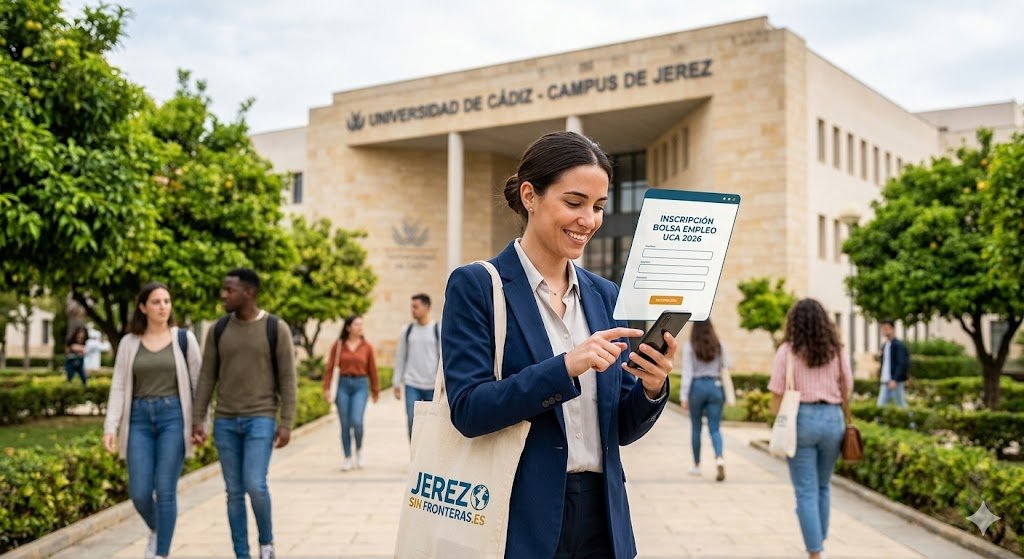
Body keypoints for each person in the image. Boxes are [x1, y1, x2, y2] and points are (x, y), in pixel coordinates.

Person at [442, 131, 674, 559]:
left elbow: (620, 428)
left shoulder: (604, 295)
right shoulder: (477, 285)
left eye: (599, 206)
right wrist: (566, 365)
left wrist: (651, 388)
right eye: (574, 202)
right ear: (530, 195)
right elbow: (469, 410)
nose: (589, 219)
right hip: (518, 518)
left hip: (603, 520)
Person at [192, 269, 297, 559]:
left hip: (260, 419)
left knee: (255, 484)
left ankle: (267, 544)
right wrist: (198, 419)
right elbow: (206, 377)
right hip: (225, 421)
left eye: (229, 290)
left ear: (249, 292)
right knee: (233, 492)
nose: (223, 295)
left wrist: (286, 422)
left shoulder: (275, 328)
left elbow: (288, 378)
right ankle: (242, 553)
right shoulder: (219, 329)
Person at [102, 282, 201, 559]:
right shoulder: (129, 343)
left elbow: (198, 384)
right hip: (139, 420)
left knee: (165, 489)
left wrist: (200, 424)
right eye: (156, 302)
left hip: (173, 418)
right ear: (143, 307)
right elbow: (119, 385)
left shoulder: (184, 339)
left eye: (167, 301)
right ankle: (159, 529)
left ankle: (161, 553)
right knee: (140, 491)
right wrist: (111, 426)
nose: (163, 307)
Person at [768, 299, 853, 559]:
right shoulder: (837, 350)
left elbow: (776, 394)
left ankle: (815, 552)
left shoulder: (787, 351)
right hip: (833, 419)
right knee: (823, 486)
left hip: (800, 420)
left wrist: (777, 417)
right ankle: (819, 541)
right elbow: (847, 386)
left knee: (805, 489)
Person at [322, 315, 379, 470]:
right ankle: (347, 456)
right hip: (342, 385)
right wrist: (326, 388)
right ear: (348, 327)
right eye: (356, 324)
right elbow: (330, 368)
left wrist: (375, 390)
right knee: (345, 424)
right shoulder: (339, 345)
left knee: (357, 422)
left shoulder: (367, 346)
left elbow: (372, 370)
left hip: (360, 385)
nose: (360, 327)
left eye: (361, 324)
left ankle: (359, 450)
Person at [680, 320, 732, 482]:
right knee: (715, 428)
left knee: (696, 428)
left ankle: (696, 465)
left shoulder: (690, 346)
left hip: (697, 387)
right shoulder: (719, 345)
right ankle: (720, 458)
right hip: (715, 387)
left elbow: (687, 372)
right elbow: (727, 365)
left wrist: (683, 395)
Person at [392, 293, 440, 438]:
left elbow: (443, 358)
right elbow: (401, 357)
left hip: (432, 386)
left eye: (416, 306)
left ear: (427, 307)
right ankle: (415, 458)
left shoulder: (437, 330)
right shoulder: (407, 331)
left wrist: (442, 382)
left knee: (432, 424)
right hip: (412, 384)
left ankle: (428, 457)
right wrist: (396, 382)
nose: (413, 310)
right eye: (412, 307)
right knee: (412, 421)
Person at [876, 320, 910, 408]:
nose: (885, 331)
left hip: (895, 380)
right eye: (883, 329)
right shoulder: (885, 345)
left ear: (893, 329)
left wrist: (895, 379)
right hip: (885, 379)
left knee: (901, 404)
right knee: (880, 404)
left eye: (887, 329)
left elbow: (902, 363)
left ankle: (912, 422)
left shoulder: (898, 345)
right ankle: (878, 421)